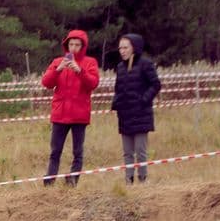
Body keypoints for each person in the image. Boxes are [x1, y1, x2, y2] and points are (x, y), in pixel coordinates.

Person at [40, 29, 100, 186]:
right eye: (71, 44)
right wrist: (58, 69)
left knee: (77, 152)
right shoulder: (58, 61)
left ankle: (72, 181)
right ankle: (49, 180)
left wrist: (80, 71)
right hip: (60, 114)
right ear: (66, 45)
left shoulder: (90, 62)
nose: (73, 48)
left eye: (77, 45)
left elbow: (93, 83)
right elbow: (46, 82)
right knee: (55, 151)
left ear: (83, 46)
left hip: (79, 115)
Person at [110, 33, 162, 183]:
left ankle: (143, 180)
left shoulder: (146, 64)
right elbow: (118, 89)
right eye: (120, 48)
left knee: (140, 151)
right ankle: (129, 180)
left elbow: (156, 84)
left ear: (134, 47)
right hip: (125, 115)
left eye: (125, 47)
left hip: (141, 114)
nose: (122, 51)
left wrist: (144, 100)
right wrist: (115, 104)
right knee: (127, 152)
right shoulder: (120, 67)